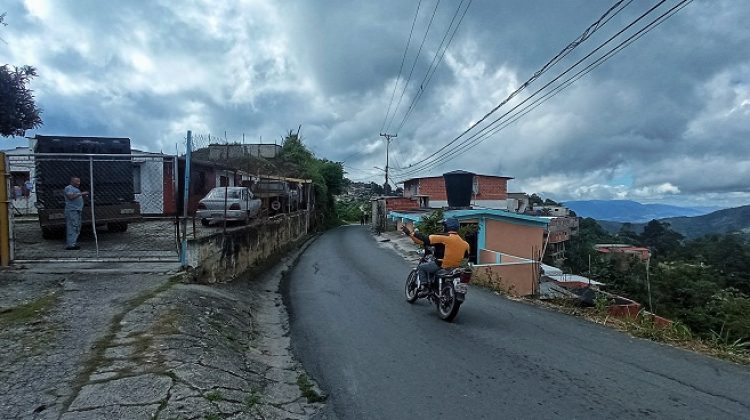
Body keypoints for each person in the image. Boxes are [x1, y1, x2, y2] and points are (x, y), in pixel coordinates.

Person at [402, 218, 470, 293]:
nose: (442, 228)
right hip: (455, 268)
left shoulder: (442, 237)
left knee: (421, 267)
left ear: (446, 227)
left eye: (443, 226)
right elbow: (466, 258)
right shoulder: (465, 243)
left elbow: (425, 239)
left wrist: (412, 233)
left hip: (441, 264)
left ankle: (424, 287)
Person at [64, 176, 88, 250]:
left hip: (77, 210)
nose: (78, 183)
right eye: (77, 181)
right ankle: (71, 245)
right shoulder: (69, 188)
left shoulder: (76, 189)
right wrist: (81, 194)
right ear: (72, 181)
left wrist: (83, 197)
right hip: (72, 210)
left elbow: (77, 197)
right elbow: (70, 197)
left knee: (77, 227)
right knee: (73, 226)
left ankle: (73, 242)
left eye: (79, 181)